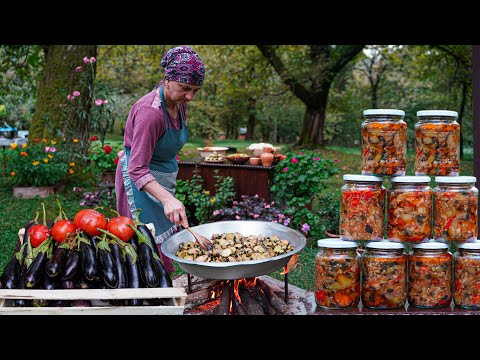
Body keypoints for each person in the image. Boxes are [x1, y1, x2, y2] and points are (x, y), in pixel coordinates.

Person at [115, 45, 205, 273]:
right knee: (143, 245)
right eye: (185, 88)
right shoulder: (151, 113)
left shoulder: (177, 103)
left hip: (160, 178)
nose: (190, 97)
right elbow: (137, 169)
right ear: (167, 80)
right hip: (140, 183)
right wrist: (167, 199)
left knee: (161, 241)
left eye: (195, 90)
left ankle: (161, 286)